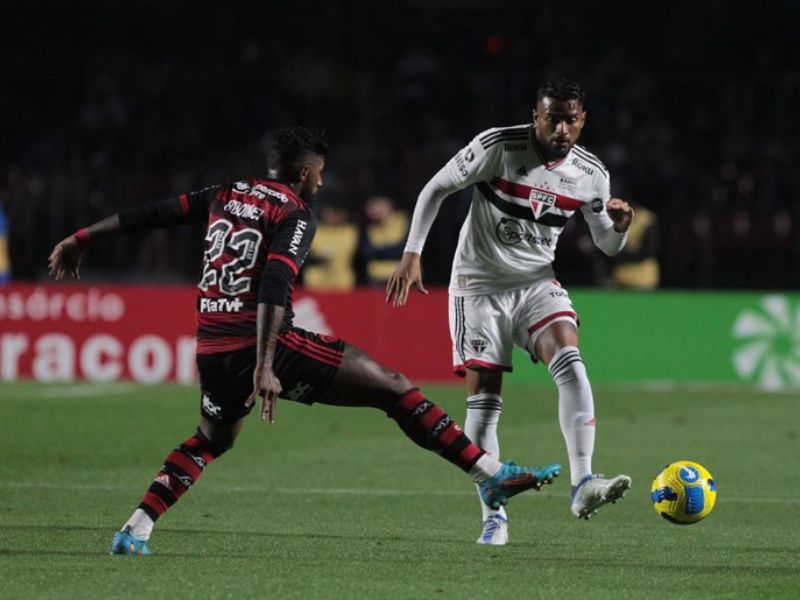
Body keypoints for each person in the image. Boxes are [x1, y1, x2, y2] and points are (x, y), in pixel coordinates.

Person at [48, 127, 561, 556]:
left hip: (211, 347)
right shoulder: (293, 212)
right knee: (395, 387)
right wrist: (267, 363)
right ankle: (490, 472)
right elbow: (274, 283)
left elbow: (152, 213)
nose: (321, 180)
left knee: (213, 439)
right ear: (302, 174)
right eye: (320, 172)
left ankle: (136, 528)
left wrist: (82, 237)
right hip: (265, 343)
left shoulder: (225, 194)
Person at [386, 78, 634, 545]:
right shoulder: (498, 146)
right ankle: (493, 517)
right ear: (535, 115)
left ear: (583, 122)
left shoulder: (591, 174)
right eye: (553, 118)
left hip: (536, 283)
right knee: (485, 402)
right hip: (477, 286)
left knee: (571, 363)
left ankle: (583, 483)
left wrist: (619, 229)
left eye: (571, 120)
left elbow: (606, 243)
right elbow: (435, 188)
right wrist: (412, 251)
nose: (562, 128)